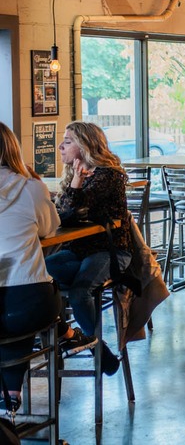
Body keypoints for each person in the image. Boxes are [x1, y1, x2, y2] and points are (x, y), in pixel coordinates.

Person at [47, 121, 136, 375]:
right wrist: (73, 180)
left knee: (80, 292)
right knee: (40, 278)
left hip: (111, 251)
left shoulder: (108, 176)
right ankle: (68, 335)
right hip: (79, 251)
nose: (60, 146)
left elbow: (69, 211)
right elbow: (62, 216)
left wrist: (75, 182)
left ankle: (97, 349)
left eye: (68, 141)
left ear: (85, 145)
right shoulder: (73, 175)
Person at [0, 122, 60, 411]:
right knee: (28, 303)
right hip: (30, 302)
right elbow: (49, 229)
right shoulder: (31, 187)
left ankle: (9, 392)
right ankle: (11, 391)